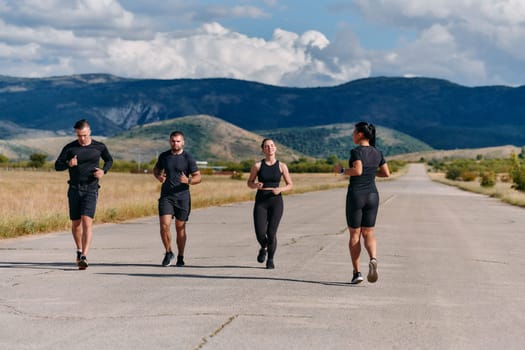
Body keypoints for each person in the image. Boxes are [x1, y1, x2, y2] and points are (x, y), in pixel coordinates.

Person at [55, 119, 113, 270]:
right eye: (79, 135)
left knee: (87, 221)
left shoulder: (99, 147)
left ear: (90, 132)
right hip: (74, 189)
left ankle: (84, 257)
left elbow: (109, 160)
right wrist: (69, 164)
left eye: (84, 135)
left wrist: (103, 171)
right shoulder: (70, 148)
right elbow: (57, 166)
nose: (82, 138)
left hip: (91, 189)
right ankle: (79, 250)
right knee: (76, 223)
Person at [336, 122, 390, 284]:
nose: (352, 134)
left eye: (354, 132)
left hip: (356, 195)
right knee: (369, 233)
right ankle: (373, 258)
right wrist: (371, 173)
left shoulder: (356, 151)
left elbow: (357, 171)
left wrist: (342, 171)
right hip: (373, 195)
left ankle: (357, 272)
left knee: (354, 235)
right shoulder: (377, 152)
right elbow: (386, 173)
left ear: (360, 134)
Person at [153, 131, 201, 267]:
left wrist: (189, 180)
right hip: (166, 196)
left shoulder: (188, 158)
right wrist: (159, 177)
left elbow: (198, 177)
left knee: (180, 227)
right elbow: (156, 170)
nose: (175, 143)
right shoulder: (164, 156)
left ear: (183, 142)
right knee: (164, 225)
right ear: (170, 142)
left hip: (182, 197)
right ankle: (168, 252)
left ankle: (180, 256)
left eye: (178, 141)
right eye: (173, 141)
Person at [247, 138, 293, 269]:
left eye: (272, 146)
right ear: (263, 149)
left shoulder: (282, 166)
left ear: (275, 148)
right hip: (261, 201)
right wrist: (255, 184)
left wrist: (280, 189)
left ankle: (271, 259)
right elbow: (249, 183)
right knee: (260, 233)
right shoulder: (257, 166)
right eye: (266, 146)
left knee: (272, 233)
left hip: (276, 201)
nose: (270, 148)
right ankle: (264, 247)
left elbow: (290, 185)